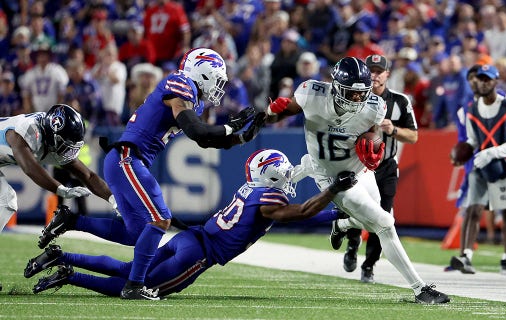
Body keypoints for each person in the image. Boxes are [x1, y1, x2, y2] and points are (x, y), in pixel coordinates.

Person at [37, 48, 265, 300]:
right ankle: (133, 286)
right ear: (202, 72)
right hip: (128, 159)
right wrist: (227, 127)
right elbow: (198, 132)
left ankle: (71, 220)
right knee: (160, 220)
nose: (218, 86)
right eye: (217, 78)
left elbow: (206, 140)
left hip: (126, 161)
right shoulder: (181, 83)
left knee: (137, 233)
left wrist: (241, 137)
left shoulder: (190, 95)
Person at [25, 149, 357, 298]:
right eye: (283, 176)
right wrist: (333, 190)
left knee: (131, 270)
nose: (288, 181)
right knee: (141, 288)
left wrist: (334, 213)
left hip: (190, 239)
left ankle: (62, 257)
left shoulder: (253, 190)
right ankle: (70, 275)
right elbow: (299, 214)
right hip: (198, 255)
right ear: (271, 177)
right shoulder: (270, 201)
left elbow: (296, 211)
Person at [264, 57, 450, 304]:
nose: (357, 99)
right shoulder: (313, 93)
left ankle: (342, 225)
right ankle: (420, 289)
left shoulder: (374, 106)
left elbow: (371, 134)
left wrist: (373, 146)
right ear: (337, 86)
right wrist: (271, 112)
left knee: (377, 223)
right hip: (332, 176)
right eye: (351, 93)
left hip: (361, 170)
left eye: (361, 93)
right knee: (384, 222)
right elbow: (279, 114)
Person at [343, 54, 418, 283]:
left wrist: (393, 129)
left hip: (386, 165)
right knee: (357, 208)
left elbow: (414, 136)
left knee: (383, 218)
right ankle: (353, 242)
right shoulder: (354, 97)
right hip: (359, 165)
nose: (374, 75)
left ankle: (369, 264)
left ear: (388, 74)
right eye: (371, 70)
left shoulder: (400, 101)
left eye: (379, 71)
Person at [449, 64, 506, 276]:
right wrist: (462, 152)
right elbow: (471, 139)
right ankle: (466, 256)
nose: (483, 82)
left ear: (496, 82)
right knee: (473, 208)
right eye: (480, 79)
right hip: (480, 163)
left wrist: (492, 153)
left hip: (504, 165)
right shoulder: (470, 109)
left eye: (488, 79)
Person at [0, 104, 115, 232]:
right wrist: (60, 189)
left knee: (7, 201)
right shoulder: (28, 129)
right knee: (6, 201)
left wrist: (113, 199)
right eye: (65, 144)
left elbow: (88, 175)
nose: (68, 151)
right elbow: (29, 167)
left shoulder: (52, 140)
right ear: (53, 133)